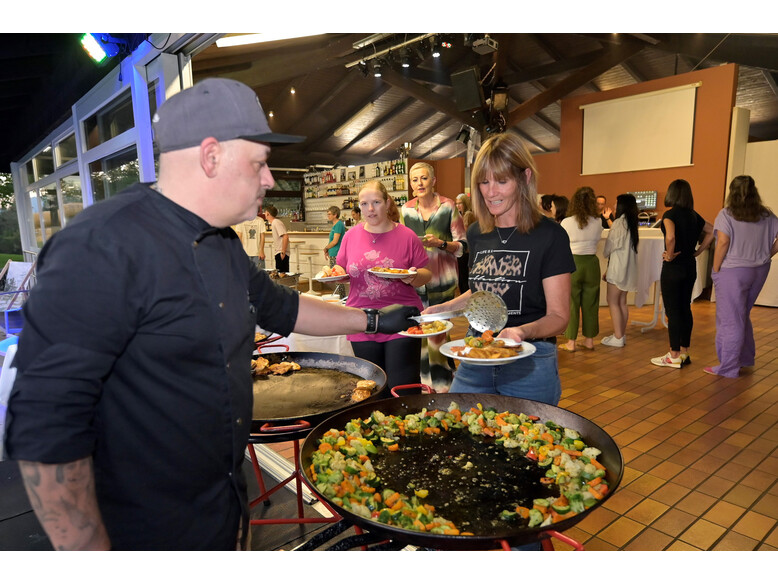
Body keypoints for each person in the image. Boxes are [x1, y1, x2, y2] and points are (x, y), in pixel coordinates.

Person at [2, 78, 419, 551]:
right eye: (260, 164)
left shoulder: (221, 242)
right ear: (211, 156)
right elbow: (44, 423)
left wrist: (373, 320)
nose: (270, 180)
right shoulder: (101, 245)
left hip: (222, 503)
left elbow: (281, 307)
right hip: (141, 533)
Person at [422, 132, 574, 405]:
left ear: (525, 178)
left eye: (502, 181)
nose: (490, 192)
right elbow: (481, 292)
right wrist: (440, 309)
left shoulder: (550, 235)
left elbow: (559, 317)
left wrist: (521, 332)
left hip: (530, 358)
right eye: (484, 182)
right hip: (476, 351)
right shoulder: (477, 233)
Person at [337, 180, 432, 394]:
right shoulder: (350, 236)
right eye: (364, 204)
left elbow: (427, 273)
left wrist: (413, 277)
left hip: (402, 319)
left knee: (403, 387)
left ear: (388, 203)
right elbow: (340, 268)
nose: (370, 209)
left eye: (376, 202)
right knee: (370, 389)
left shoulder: (407, 235)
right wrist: (337, 276)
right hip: (361, 319)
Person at [400, 162, 466, 392]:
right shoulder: (406, 210)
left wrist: (441, 243)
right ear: (410, 184)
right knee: (419, 337)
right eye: (415, 179)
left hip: (443, 282)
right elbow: (401, 246)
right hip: (415, 283)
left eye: (424, 178)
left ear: (433, 180)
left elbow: (462, 246)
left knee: (438, 335)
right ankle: (424, 385)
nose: (419, 183)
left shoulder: (448, 207)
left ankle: (442, 386)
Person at [705, 175, 778, 377]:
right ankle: (744, 358)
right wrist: (767, 254)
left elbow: (723, 243)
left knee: (730, 319)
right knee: (741, 314)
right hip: (759, 269)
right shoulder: (767, 215)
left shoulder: (726, 214)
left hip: (733, 271)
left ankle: (728, 367)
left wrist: (715, 269)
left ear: (732, 192)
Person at [650, 179, 714, 369]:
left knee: (672, 310)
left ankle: (673, 354)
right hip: (689, 265)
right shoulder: (694, 215)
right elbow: (712, 232)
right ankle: (684, 351)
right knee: (685, 308)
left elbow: (670, 237)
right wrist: (699, 250)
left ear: (671, 194)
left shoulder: (669, 215)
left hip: (674, 267)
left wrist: (669, 255)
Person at [559, 187, 603, 352]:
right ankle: (589, 340)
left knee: (571, 302)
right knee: (591, 303)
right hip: (591, 263)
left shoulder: (566, 222)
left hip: (572, 263)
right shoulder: (598, 222)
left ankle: (571, 342)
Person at [600, 194, 639, 347]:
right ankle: (620, 335)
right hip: (628, 270)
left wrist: (605, 254)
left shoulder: (618, 223)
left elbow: (609, 247)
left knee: (613, 301)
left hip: (617, 269)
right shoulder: (631, 223)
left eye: (617, 203)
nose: (615, 205)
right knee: (622, 302)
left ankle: (618, 337)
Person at [323, 206, 346, 297]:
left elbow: (335, 241)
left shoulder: (339, 224)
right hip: (333, 253)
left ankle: (341, 298)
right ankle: (339, 297)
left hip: (337, 253)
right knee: (335, 278)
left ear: (335, 215)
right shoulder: (335, 225)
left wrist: (326, 248)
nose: (328, 216)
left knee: (338, 277)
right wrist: (328, 249)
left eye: (329, 214)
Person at [455, 193, 476, 294]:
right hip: (463, 248)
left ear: (465, 204)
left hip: (466, 249)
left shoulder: (468, 215)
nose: (458, 206)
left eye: (460, 203)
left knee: (463, 276)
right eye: (456, 203)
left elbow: (465, 232)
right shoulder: (461, 215)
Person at [265, 204, 289, 272]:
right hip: (279, 251)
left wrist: (283, 252)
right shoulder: (274, 223)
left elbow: (285, 236)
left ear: (268, 213)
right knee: (280, 273)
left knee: (282, 274)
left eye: (265, 212)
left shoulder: (276, 222)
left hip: (281, 252)